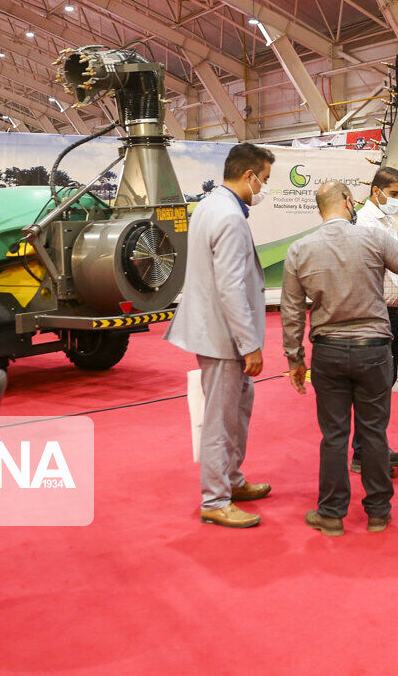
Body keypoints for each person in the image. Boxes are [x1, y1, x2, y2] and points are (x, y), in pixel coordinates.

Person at [282, 181, 398, 536]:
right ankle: (378, 512)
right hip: (374, 350)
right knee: (373, 431)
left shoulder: (299, 250)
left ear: (319, 210)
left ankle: (331, 513)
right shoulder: (373, 239)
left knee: (333, 436)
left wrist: (294, 359)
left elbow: (291, 313)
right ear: (348, 202)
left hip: (328, 353)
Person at [164, 143, 275, 529]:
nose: (263, 188)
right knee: (221, 420)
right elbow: (231, 287)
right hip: (224, 337)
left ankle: (231, 479)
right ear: (249, 175)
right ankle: (215, 499)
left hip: (215, 331)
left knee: (236, 411)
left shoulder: (211, 205)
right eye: (264, 180)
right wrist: (251, 346)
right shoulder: (228, 216)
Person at [352, 166, 398, 474]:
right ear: (375, 191)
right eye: (393, 194)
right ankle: (365, 455)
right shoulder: (366, 224)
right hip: (378, 314)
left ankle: (373, 448)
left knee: (382, 385)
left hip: (394, 313)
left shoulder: (387, 220)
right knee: (373, 388)